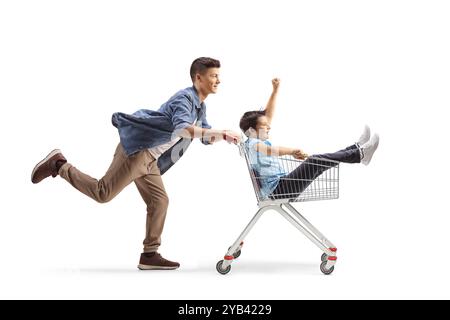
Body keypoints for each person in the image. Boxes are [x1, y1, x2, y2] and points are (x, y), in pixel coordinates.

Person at [31, 57, 241, 270]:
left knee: (160, 201)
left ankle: (149, 255)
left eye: (218, 76)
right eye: (214, 75)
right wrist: (222, 134)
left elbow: (204, 137)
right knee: (102, 193)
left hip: (150, 160)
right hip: (138, 152)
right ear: (198, 77)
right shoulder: (185, 99)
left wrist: (227, 137)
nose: (218, 80)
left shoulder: (199, 107)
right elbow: (183, 129)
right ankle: (59, 165)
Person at [239, 78, 380, 200]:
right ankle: (359, 155)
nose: (269, 126)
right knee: (315, 161)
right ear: (252, 130)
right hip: (279, 190)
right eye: (264, 125)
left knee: (318, 162)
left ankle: (356, 149)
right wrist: (292, 151)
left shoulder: (255, 139)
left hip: (281, 187)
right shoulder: (253, 144)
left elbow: (267, 116)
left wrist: (275, 91)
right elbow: (270, 150)